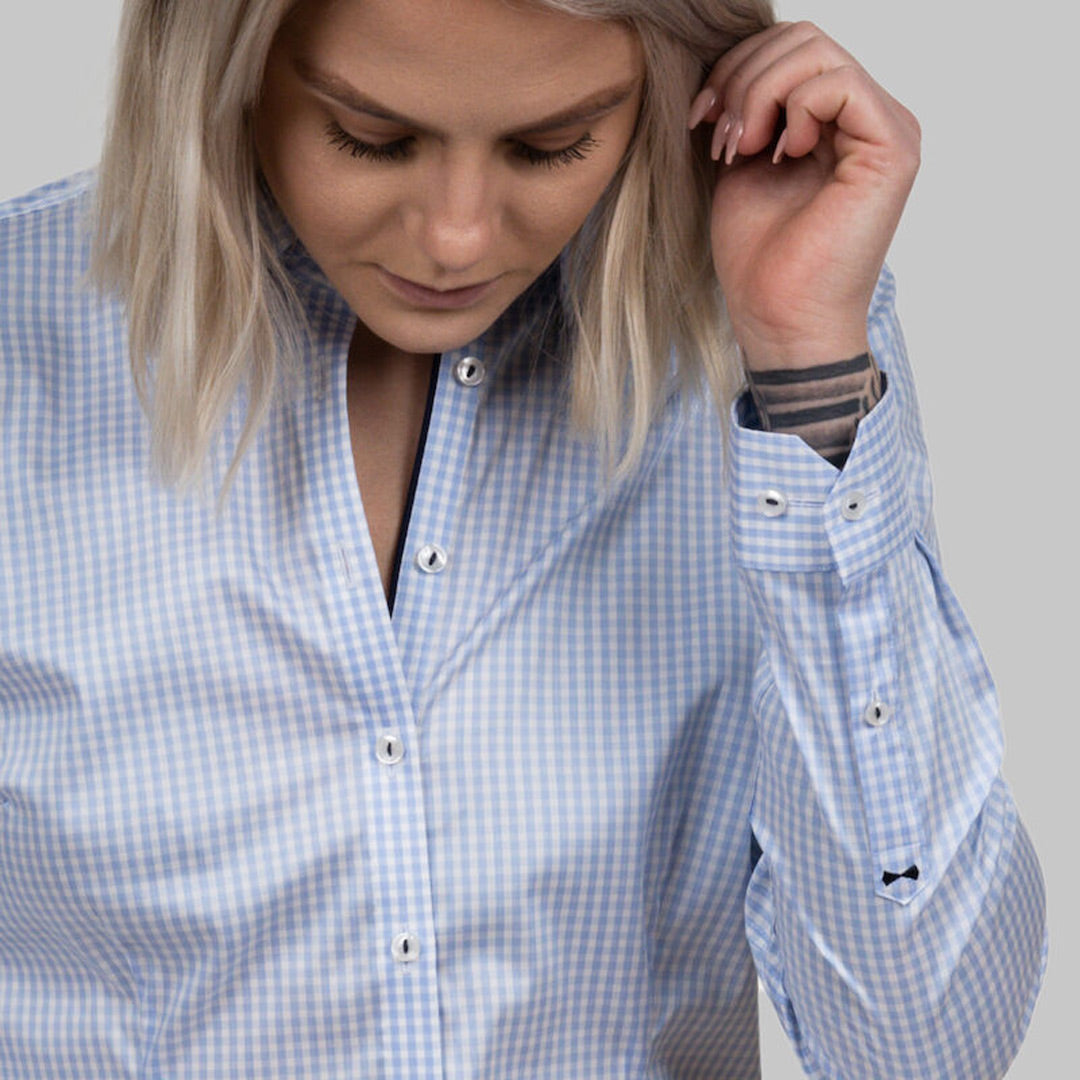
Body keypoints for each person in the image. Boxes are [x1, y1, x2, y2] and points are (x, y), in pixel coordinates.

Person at [0, 0, 1047, 1076]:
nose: (456, 237)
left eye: (552, 145)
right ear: (226, 62)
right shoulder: (16, 350)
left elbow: (924, 1054)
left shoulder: (762, 345)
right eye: (371, 137)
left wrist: (806, 375)